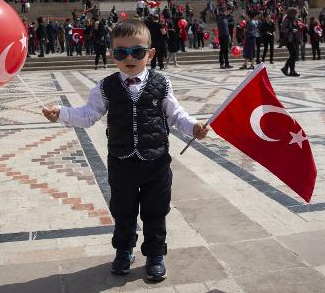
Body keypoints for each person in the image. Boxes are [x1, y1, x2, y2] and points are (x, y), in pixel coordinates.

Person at [42, 20, 209, 282]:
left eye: (137, 52)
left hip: (156, 161)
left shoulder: (161, 83)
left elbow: (176, 115)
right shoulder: (105, 87)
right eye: (121, 52)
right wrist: (61, 113)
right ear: (112, 55)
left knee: (156, 210)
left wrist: (194, 127)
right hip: (122, 161)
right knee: (123, 209)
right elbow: (87, 115)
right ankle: (124, 250)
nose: (129, 58)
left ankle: (155, 254)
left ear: (150, 54)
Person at [280, 7, 300, 76]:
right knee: (294, 54)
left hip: (293, 39)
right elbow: (283, 29)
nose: (297, 14)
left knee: (293, 55)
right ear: (292, 13)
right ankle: (286, 67)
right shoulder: (287, 19)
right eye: (296, 13)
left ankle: (291, 70)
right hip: (289, 39)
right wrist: (291, 30)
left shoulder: (293, 19)